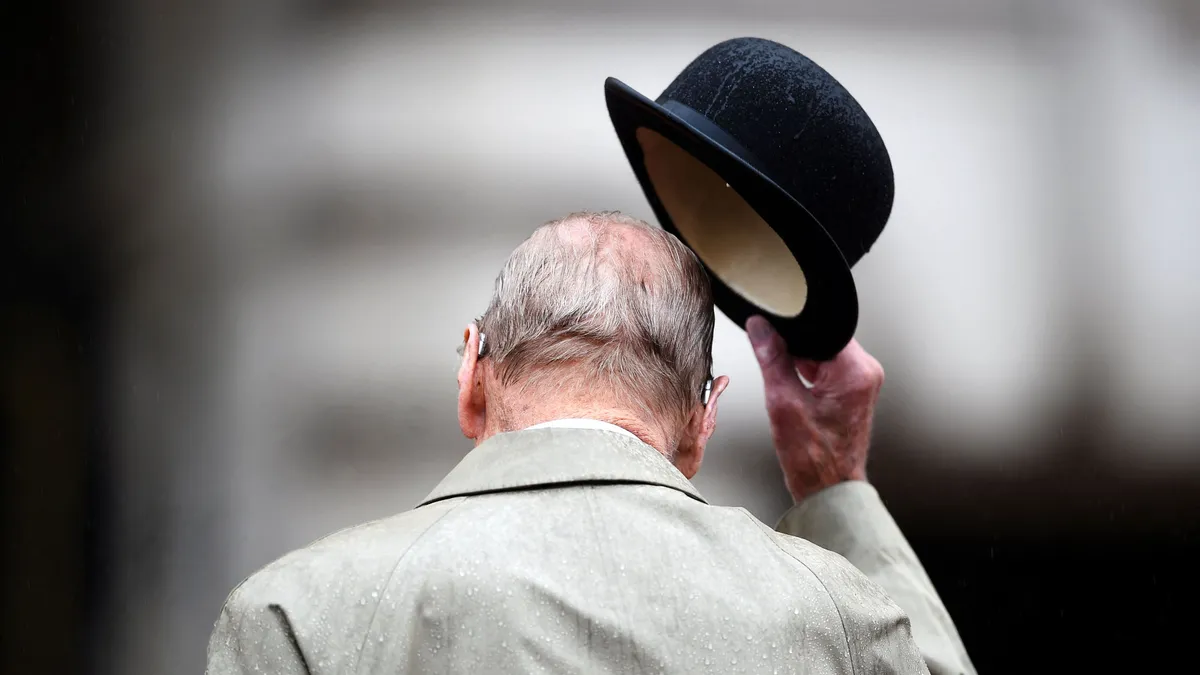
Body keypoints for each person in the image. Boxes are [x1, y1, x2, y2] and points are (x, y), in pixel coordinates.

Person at [206, 211, 975, 674]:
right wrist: (835, 483)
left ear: (473, 373)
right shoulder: (832, 614)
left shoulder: (298, 613)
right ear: (702, 422)